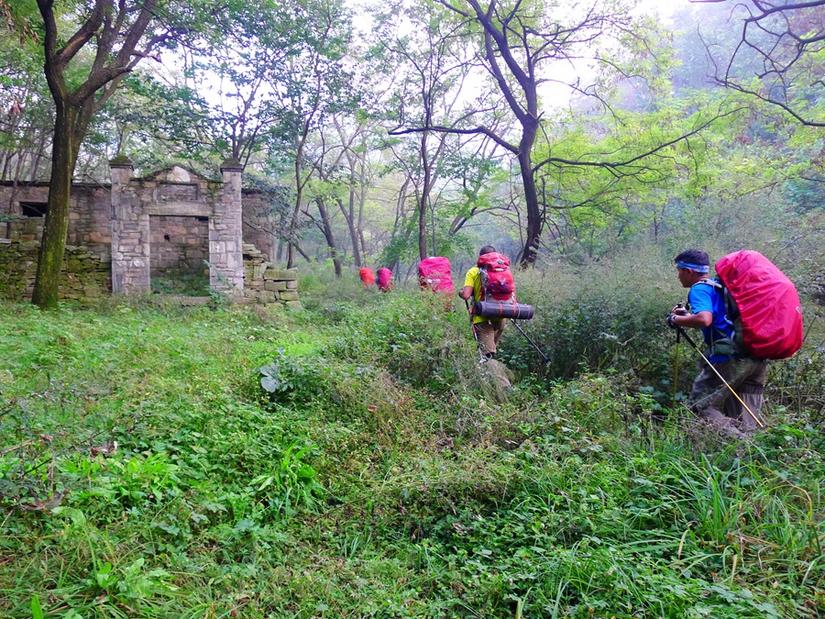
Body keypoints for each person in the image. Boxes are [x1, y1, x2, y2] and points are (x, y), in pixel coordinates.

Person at [667, 249, 768, 438]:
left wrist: (675, 319)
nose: (678, 275)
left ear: (688, 271)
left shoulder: (699, 289)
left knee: (702, 405)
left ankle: (741, 443)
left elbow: (704, 319)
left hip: (729, 358)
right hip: (756, 356)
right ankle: (752, 454)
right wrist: (688, 317)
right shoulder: (722, 286)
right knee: (746, 417)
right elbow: (721, 320)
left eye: (679, 270)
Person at [459, 245, 505, 359]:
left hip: (482, 315)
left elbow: (466, 295)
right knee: (491, 345)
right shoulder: (503, 270)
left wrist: (460, 292)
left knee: (486, 355)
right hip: (501, 314)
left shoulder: (473, 272)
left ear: (480, 257)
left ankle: (487, 369)